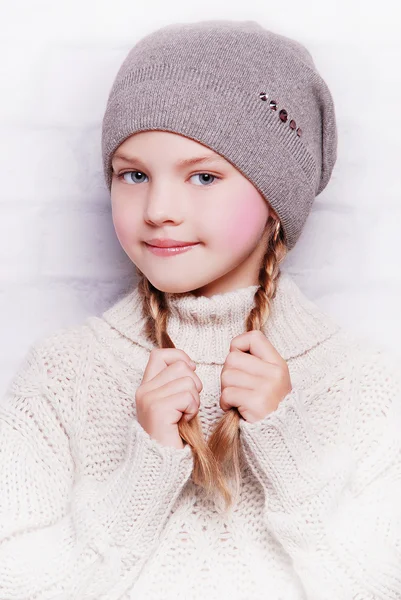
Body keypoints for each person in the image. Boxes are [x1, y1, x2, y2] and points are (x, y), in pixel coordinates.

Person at [1, 19, 400, 600]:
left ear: (275, 200)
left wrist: (286, 446)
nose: (159, 208)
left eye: (204, 176)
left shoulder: (365, 383)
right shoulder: (63, 375)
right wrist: (147, 467)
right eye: (133, 174)